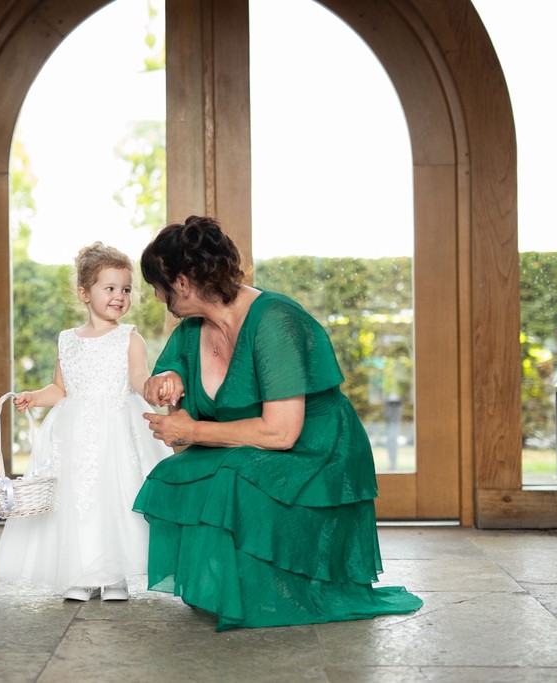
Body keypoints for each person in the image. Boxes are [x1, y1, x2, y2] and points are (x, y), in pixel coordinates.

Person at [133, 216, 423, 631]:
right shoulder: (192, 327)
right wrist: (164, 382)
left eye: (158, 284)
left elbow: (281, 433)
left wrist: (192, 431)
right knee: (174, 473)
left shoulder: (275, 321)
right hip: (255, 444)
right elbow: (165, 377)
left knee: (233, 474)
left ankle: (273, 588)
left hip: (316, 453)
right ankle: (222, 586)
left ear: (180, 282)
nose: (157, 295)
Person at [0, 242, 173, 602]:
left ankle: (114, 574)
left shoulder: (129, 337)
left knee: (116, 498)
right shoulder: (68, 341)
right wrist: (35, 397)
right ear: (84, 293)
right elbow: (60, 388)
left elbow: (138, 378)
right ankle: (81, 572)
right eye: (109, 288)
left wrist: (151, 389)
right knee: (76, 501)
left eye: (125, 289)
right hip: (74, 435)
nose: (119, 297)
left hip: (117, 432)